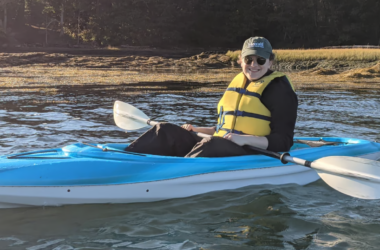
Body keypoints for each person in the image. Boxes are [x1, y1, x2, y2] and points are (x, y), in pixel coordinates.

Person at [125, 37, 298, 157]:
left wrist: (242, 139)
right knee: (164, 130)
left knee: (210, 144)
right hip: (221, 143)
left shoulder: (279, 90)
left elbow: (283, 141)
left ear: (270, 62)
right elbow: (223, 128)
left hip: (253, 151)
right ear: (240, 60)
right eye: (248, 59)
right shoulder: (240, 81)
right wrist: (198, 130)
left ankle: (173, 174)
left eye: (260, 60)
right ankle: (125, 158)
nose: (253, 65)